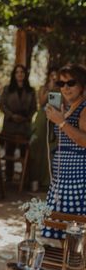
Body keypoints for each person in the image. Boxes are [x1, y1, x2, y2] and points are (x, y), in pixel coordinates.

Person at [43, 64, 86, 239]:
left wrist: (61, 123)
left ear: (82, 85)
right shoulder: (68, 108)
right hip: (63, 180)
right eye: (61, 84)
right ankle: (65, 265)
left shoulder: (84, 109)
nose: (65, 88)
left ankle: (74, 265)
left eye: (71, 83)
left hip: (77, 181)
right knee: (62, 231)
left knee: (75, 232)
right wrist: (59, 118)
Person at [0, 64, 37, 181]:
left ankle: (25, 179)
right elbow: (2, 105)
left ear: (25, 74)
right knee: (9, 150)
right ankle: (9, 176)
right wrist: (12, 116)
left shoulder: (31, 91)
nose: (20, 74)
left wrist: (25, 118)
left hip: (24, 125)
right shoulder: (7, 89)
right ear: (14, 74)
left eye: (22, 72)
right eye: (17, 72)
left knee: (24, 152)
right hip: (10, 124)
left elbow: (34, 108)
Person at [29, 67, 59, 189]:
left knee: (51, 149)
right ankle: (34, 180)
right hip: (42, 120)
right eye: (52, 75)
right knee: (37, 147)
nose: (54, 77)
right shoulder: (43, 88)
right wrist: (50, 90)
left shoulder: (62, 89)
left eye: (56, 75)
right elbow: (41, 103)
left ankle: (48, 181)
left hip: (55, 120)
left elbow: (57, 105)